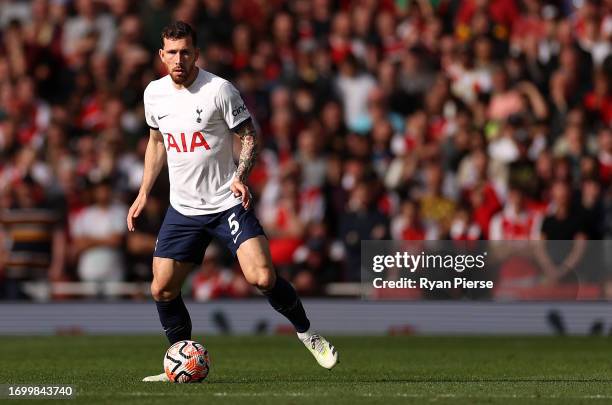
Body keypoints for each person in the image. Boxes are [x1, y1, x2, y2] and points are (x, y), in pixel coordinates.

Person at [126, 21, 338, 382]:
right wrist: (145, 191)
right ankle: (180, 361)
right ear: (162, 56)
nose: (179, 59)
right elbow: (156, 142)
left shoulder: (219, 90)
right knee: (161, 287)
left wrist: (239, 176)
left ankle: (307, 333)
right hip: (184, 209)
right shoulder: (154, 94)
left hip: (226, 202)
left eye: (185, 52)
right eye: (172, 53)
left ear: (196, 53)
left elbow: (249, 137)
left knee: (263, 276)